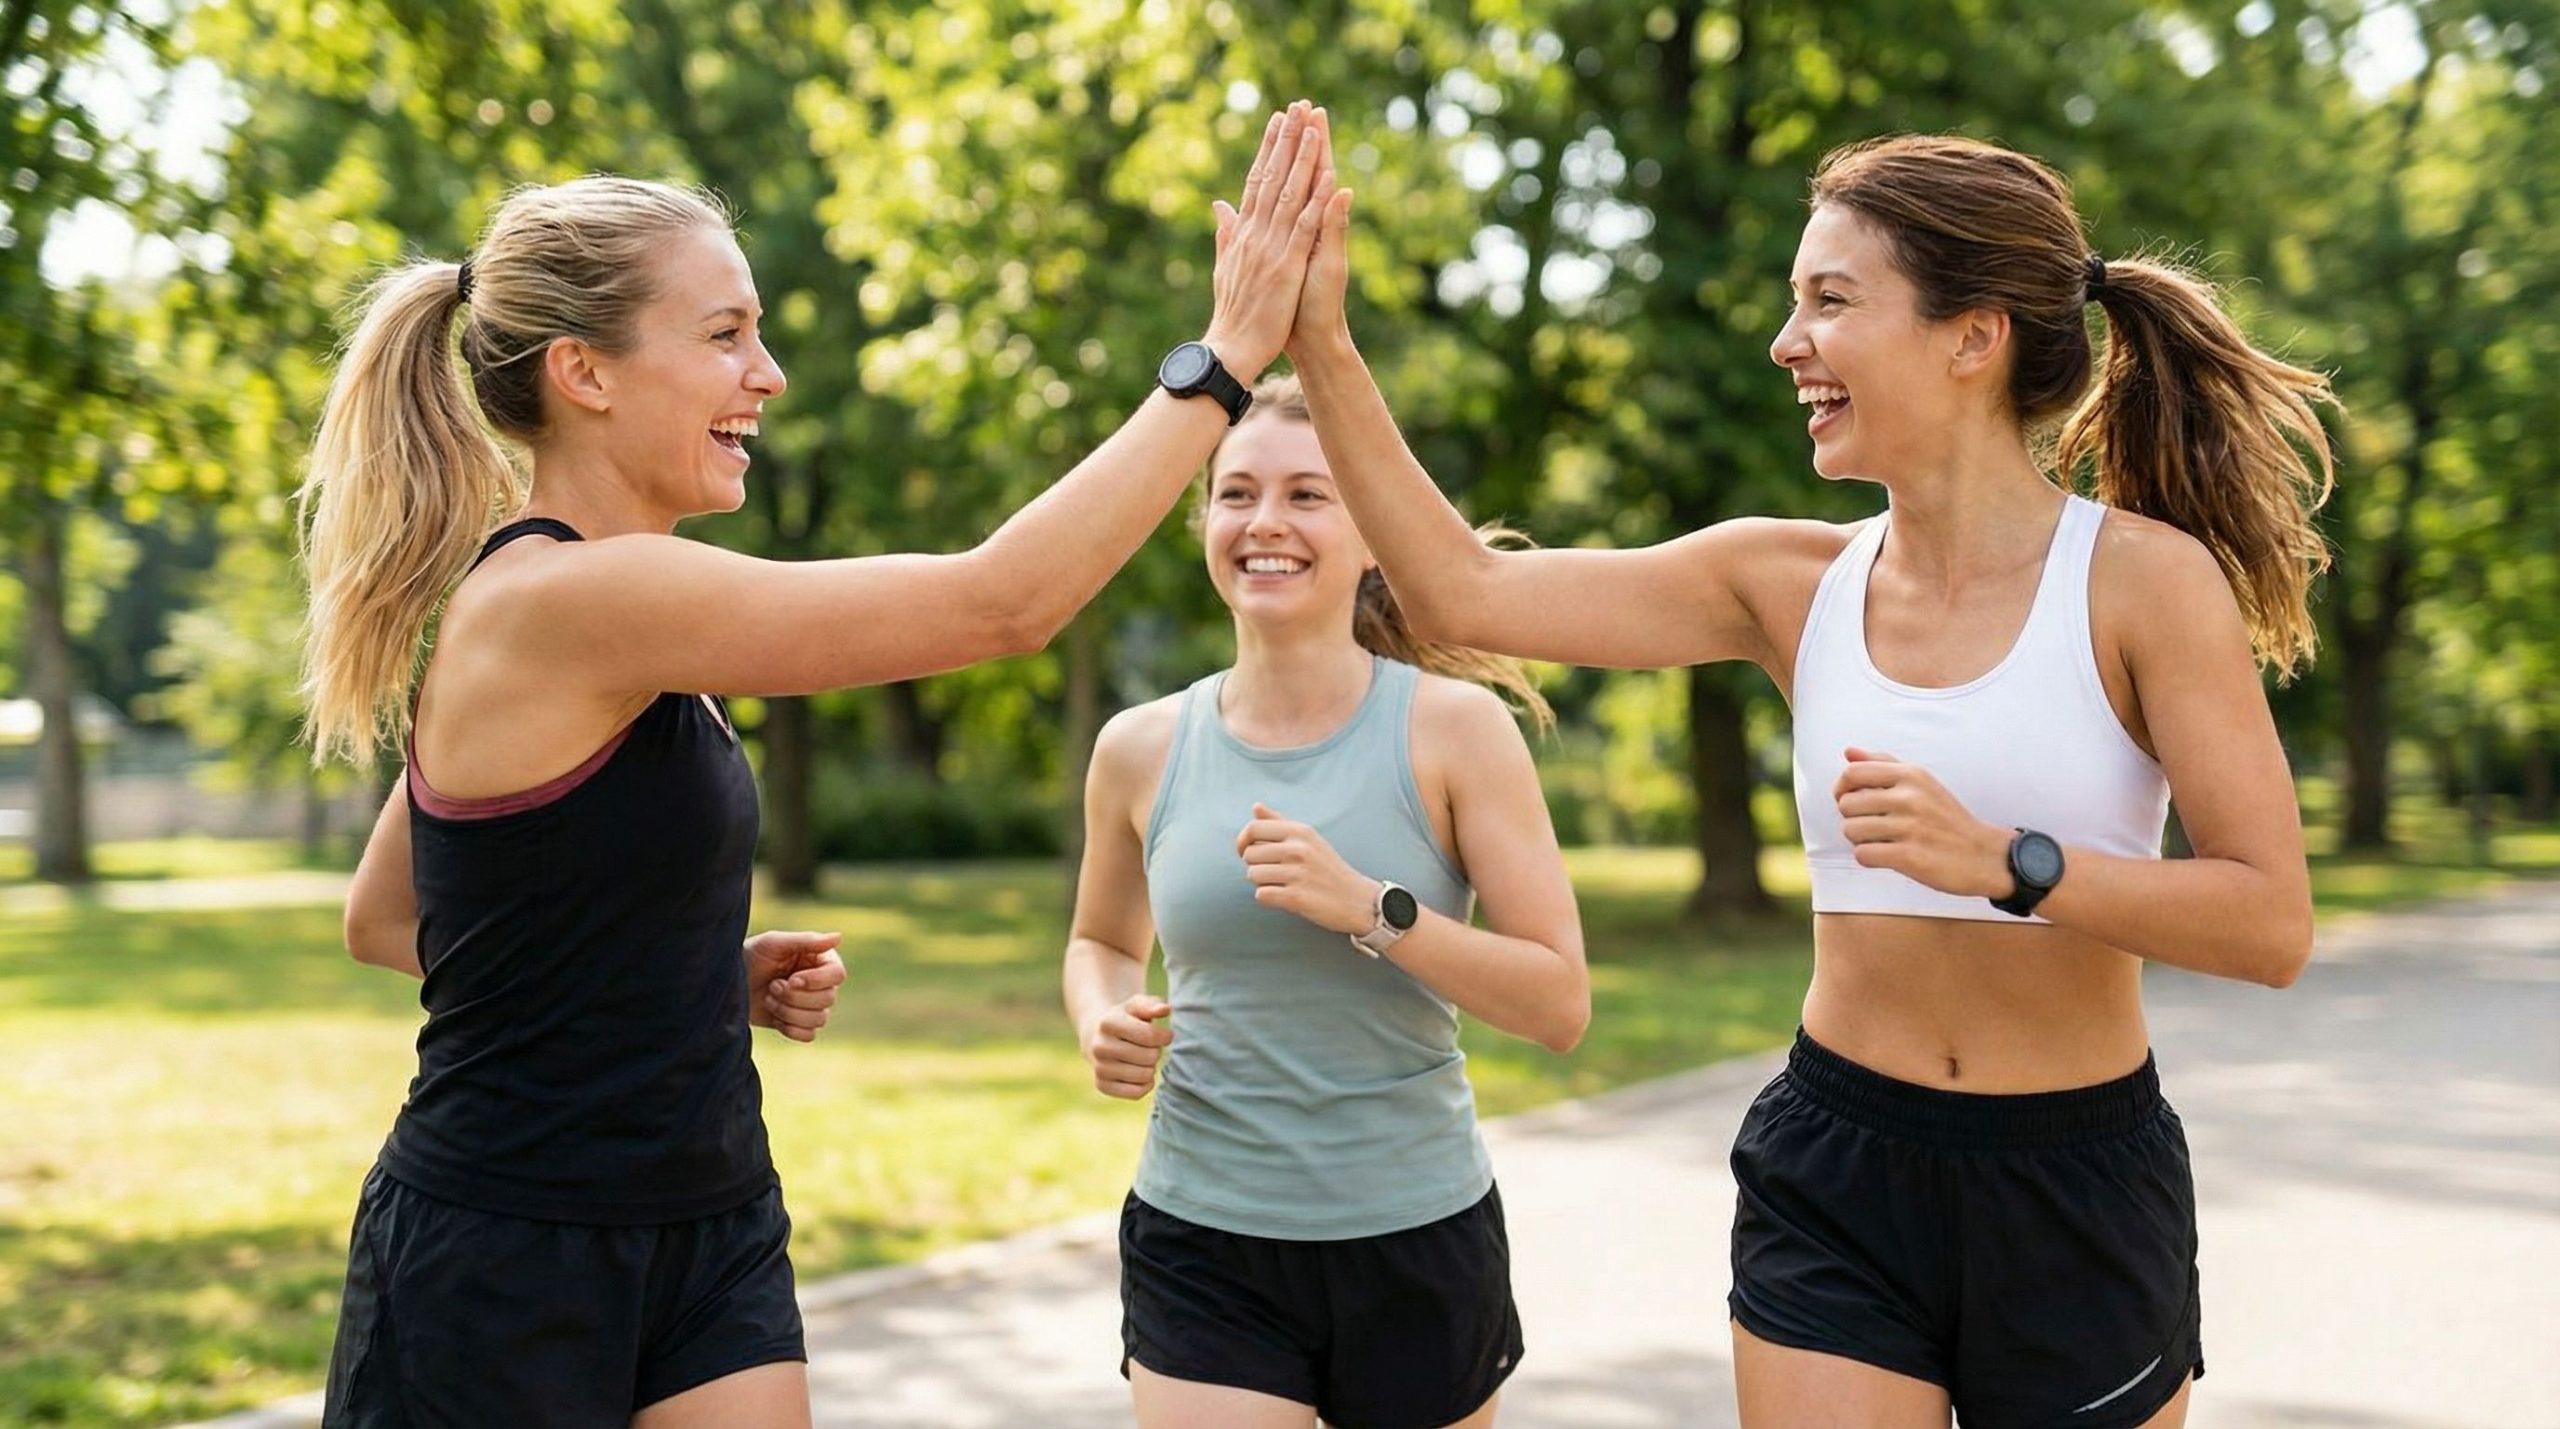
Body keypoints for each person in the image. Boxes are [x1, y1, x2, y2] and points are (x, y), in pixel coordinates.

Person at [304, 100, 1339, 1426]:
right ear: (587, 371)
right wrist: (1226, 358)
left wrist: (684, 978)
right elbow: (998, 607)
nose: (770, 372)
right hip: (509, 1249)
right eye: (725, 334)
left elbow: (390, 913)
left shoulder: (605, 606)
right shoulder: (562, 601)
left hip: (710, 1217)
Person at [1286, 132, 2335, 1429]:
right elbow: (1466, 591)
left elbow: (2269, 921)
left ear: (1973, 336)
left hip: (2073, 1184)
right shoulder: (1788, 583)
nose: (1788, 342)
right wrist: (1322, 344)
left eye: (1830, 301)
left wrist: (2016, 864)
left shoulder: (2143, 584)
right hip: (1842, 1168)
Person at [1061, 370, 1591, 1429]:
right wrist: (1102, 1015)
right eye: (1236, 492)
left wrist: (1372, 909)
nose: (1266, 522)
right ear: (1203, 519)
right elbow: (1098, 940)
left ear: (1369, 532)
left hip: (1414, 1233)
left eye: (1308, 494)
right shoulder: (1138, 748)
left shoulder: (1454, 731)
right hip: (1201, 1232)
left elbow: (1557, 1004)